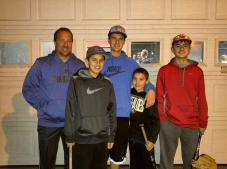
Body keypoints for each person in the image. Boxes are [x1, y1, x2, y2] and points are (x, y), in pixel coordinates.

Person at [22, 27, 86, 169]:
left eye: (69, 41)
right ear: (55, 42)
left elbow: (84, 92)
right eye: (61, 40)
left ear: (72, 43)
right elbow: (28, 88)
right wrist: (44, 106)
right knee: (47, 163)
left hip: (72, 124)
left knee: (73, 163)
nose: (65, 44)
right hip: (48, 123)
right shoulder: (41, 64)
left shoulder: (80, 65)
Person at [101, 25, 156, 169]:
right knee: (100, 154)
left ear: (124, 42)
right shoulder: (101, 61)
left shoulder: (131, 63)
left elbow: (145, 80)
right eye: (114, 38)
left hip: (122, 116)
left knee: (117, 155)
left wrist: (151, 90)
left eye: (120, 39)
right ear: (109, 40)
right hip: (102, 115)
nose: (117, 42)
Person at [156, 34, 208, 169]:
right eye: (178, 46)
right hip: (169, 122)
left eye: (185, 46)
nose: (181, 48)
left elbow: (202, 98)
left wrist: (203, 122)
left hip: (191, 124)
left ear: (190, 49)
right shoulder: (164, 70)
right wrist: (162, 119)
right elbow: (159, 97)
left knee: (190, 163)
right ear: (172, 49)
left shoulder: (197, 72)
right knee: (166, 161)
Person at [65, 46, 117, 169]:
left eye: (101, 60)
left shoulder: (107, 83)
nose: (98, 63)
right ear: (87, 61)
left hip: (101, 139)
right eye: (94, 59)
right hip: (81, 139)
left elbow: (112, 110)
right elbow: (69, 109)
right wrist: (69, 135)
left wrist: (111, 135)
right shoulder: (76, 81)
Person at [129, 68, 160, 169]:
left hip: (146, 139)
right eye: (135, 79)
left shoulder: (150, 97)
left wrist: (152, 140)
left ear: (147, 81)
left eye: (141, 79)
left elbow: (156, 121)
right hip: (132, 137)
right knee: (134, 164)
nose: (137, 82)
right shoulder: (128, 92)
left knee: (147, 165)